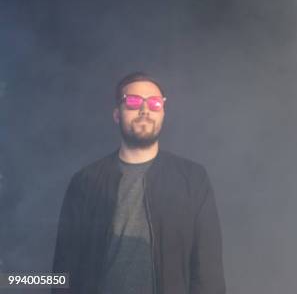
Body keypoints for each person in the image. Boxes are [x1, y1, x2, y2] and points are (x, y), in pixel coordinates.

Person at [52, 72, 225, 294]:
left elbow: (208, 270)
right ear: (117, 114)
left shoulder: (192, 179)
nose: (144, 110)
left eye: (154, 103)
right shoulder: (85, 182)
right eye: (133, 102)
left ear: (163, 113)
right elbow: (64, 267)